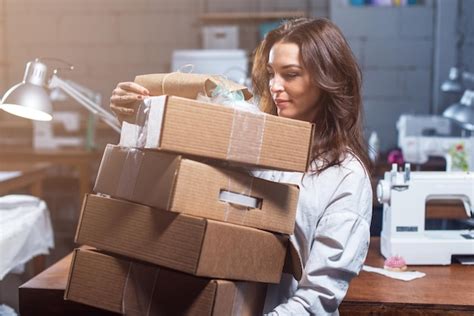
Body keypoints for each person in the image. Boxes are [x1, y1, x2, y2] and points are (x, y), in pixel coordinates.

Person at [109, 17, 372, 316]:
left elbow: (318, 297)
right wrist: (139, 113)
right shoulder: (252, 142)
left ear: (328, 79)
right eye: (272, 74)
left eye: (291, 75)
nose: (275, 87)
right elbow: (183, 170)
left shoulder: (345, 176)